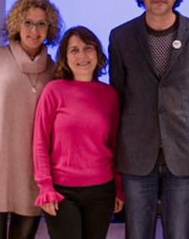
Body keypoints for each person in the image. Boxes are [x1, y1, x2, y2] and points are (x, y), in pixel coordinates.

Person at [109, 0, 189, 238]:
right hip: (136, 152)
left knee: (180, 233)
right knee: (138, 233)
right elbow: (118, 94)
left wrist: (184, 126)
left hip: (183, 150)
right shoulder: (120, 36)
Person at [0, 0, 62, 238]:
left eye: (41, 23)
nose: (34, 30)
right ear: (17, 24)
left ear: (50, 29)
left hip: (33, 177)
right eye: (28, 22)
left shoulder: (55, 71)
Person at [33, 26, 124, 239]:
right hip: (61, 191)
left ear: (98, 54)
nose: (82, 55)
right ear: (65, 57)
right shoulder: (53, 91)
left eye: (88, 48)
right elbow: (39, 142)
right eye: (74, 50)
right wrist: (45, 186)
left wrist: (118, 188)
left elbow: (115, 145)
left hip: (101, 190)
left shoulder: (109, 94)